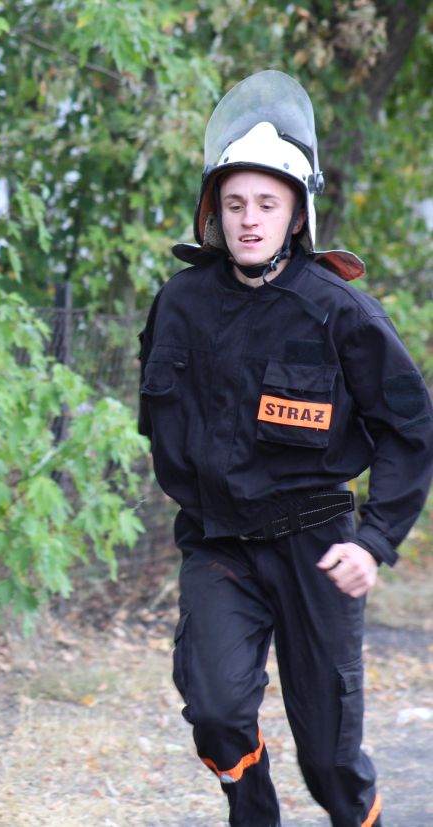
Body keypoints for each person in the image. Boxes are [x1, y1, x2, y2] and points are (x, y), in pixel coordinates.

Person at [138, 70, 433, 827]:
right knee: (215, 710)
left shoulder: (339, 311)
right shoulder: (179, 303)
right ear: (213, 210)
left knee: (330, 760)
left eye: (267, 204)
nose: (249, 219)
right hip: (219, 545)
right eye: (234, 203)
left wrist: (375, 540)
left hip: (317, 549)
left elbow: (411, 427)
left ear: (298, 213)